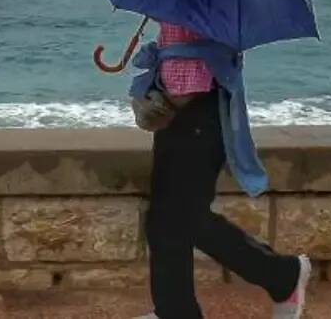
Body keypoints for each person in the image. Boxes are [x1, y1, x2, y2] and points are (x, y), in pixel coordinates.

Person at [130, 20, 311, 319]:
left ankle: (281, 274)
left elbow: (203, 59)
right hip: (178, 110)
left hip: (196, 109)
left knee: (183, 218)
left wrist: (168, 103)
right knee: (167, 219)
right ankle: (174, 309)